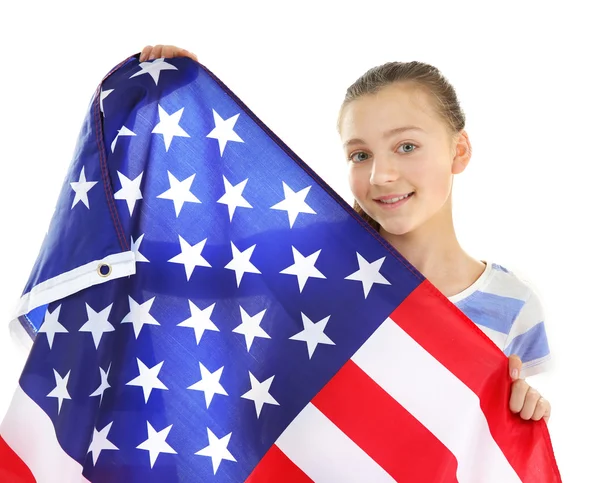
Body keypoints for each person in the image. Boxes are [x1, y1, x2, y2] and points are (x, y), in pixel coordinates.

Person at [138, 44, 552, 424]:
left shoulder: (513, 306)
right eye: (360, 155)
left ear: (458, 150)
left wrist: (523, 420)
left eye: (406, 146)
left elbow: (478, 449)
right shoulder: (313, 263)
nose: (381, 175)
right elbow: (172, 269)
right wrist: (178, 95)